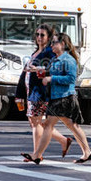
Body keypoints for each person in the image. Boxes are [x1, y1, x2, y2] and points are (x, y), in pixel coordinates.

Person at [28, 32, 91, 164]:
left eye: (54, 42)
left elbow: (70, 79)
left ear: (62, 44)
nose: (51, 45)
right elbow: (50, 71)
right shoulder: (56, 59)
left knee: (48, 125)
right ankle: (87, 152)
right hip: (57, 97)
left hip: (65, 97)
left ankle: (37, 155)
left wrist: (51, 78)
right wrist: (38, 70)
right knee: (72, 125)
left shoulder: (68, 60)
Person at [16, 24, 72, 163]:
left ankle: (37, 154)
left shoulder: (49, 52)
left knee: (36, 122)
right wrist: (19, 93)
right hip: (32, 91)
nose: (39, 38)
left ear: (48, 38)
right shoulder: (35, 52)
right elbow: (24, 74)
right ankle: (63, 141)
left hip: (41, 92)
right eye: (37, 35)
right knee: (36, 122)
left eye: (42, 35)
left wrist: (39, 69)